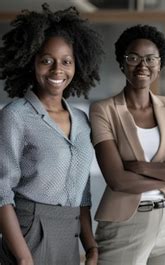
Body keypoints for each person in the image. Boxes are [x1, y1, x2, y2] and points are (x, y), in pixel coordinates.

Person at [0, 4, 103, 265]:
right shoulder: (16, 115)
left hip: (70, 233)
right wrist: (23, 258)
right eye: (47, 60)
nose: (58, 70)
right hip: (28, 231)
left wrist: (90, 246)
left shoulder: (81, 120)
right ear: (30, 62)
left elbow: (82, 192)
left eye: (66, 61)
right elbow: (1, 191)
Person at [89, 24, 165, 265]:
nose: (142, 65)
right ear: (122, 62)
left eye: (150, 58)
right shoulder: (103, 110)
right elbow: (118, 180)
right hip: (125, 222)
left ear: (160, 64)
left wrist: (141, 167)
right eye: (133, 57)